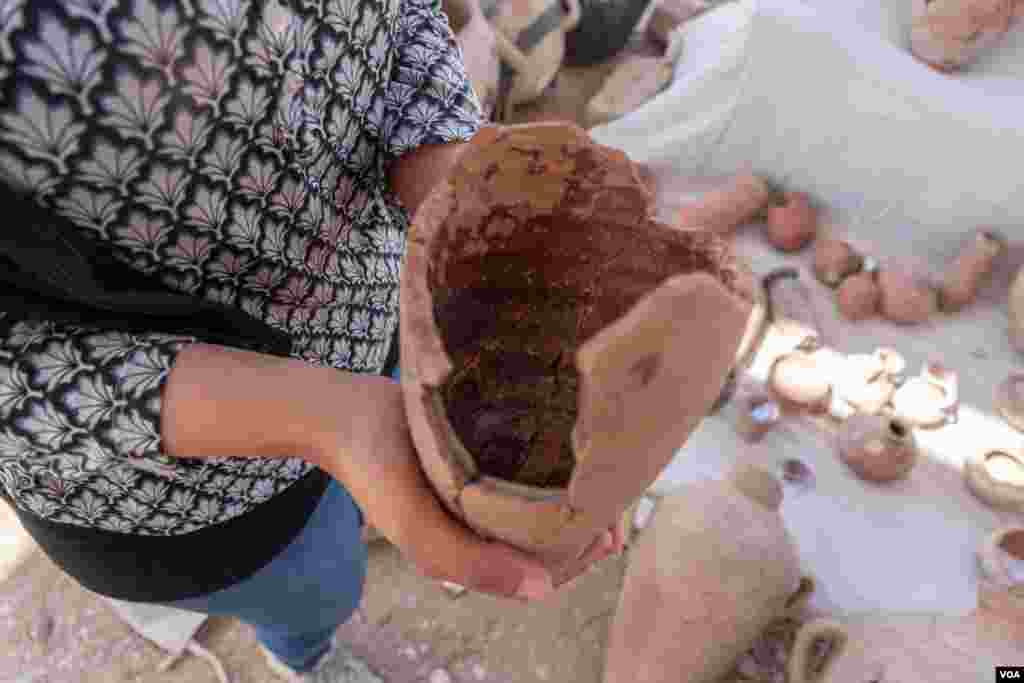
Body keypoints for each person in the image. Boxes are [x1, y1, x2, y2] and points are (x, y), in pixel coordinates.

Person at [0, 1, 622, 680]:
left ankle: (358, 512)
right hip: (185, 489)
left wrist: (459, 213)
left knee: (365, 504)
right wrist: (324, 419)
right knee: (319, 588)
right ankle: (304, 654)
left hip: (377, 316)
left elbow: (398, 22)